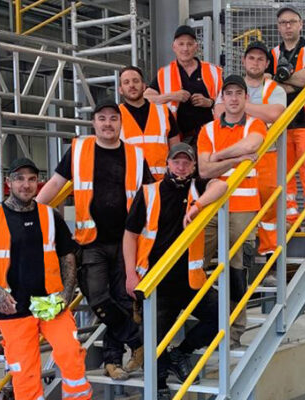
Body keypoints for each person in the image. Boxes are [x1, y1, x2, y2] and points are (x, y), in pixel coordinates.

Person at [36, 99, 154, 380]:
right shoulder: (79, 150)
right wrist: (21, 214)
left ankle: (113, 363)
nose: (108, 123)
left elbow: (151, 196)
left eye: (113, 118)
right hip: (91, 242)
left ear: (120, 123)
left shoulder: (136, 155)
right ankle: (138, 342)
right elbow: (54, 184)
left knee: (123, 301)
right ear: (94, 124)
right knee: (99, 297)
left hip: (126, 242)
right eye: (102, 118)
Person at [0, 158, 92, 400]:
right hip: (13, 307)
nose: (26, 184)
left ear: (38, 184)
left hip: (52, 304)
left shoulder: (50, 216)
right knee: (24, 373)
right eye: (20, 178)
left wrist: (66, 293)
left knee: (71, 354)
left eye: (32, 179)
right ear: (9, 182)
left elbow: (68, 256)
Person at [124, 143, 227, 400]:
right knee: (153, 340)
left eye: (186, 162)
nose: (181, 166)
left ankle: (182, 352)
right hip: (156, 280)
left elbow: (222, 185)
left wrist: (197, 206)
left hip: (190, 280)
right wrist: (130, 274)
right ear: (168, 163)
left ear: (193, 166)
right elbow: (130, 235)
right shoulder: (149, 192)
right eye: (176, 161)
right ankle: (159, 386)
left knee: (219, 317)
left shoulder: (197, 187)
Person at [198, 75, 267, 347]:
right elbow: (204, 170)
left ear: (245, 98)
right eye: (229, 93)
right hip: (213, 207)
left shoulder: (255, 123)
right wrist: (236, 159)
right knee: (195, 264)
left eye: (239, 92)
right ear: (222, 99)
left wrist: (217, 156)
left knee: (237, 269)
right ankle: (207, 321)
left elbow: (252, 145)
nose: (234, 98)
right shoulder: (208, 130)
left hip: (243, 208)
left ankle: (235, 332)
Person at [215, 41, 287, 286]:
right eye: (251, 58)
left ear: (267, 64)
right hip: (235, 157)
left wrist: (240, 108)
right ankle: (238, 267)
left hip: (268, 155)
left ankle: (270, 263)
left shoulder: (275, 88)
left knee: (269, 209)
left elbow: (276, 114)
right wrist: (257, 111)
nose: (255, 62)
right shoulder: (231, 86)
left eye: (260, 59)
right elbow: (218, 114)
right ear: (244, 61)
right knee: (236, 209)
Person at [267, 5, 305, 234]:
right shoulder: (272, 54)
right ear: (278, 27)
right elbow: (270, 85)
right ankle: (290, 217)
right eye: (283, 23)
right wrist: (292, 81)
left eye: (292, 22)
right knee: (285, 171)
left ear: (301, 24)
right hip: (281, 121)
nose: (288, 26)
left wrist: (284, 78)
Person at [144, 25, 223, 147]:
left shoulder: (213, 71)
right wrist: (171, 96)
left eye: (189, 44)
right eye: (181, 44)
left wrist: (209, 102)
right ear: (174, 47)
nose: (185, 48)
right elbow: (146, 98)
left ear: (196, 47)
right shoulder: (165, 73)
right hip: (179, 139)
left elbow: (226, 101)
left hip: (212, 136)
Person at [118, 65, 181, 180]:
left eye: (135, 81)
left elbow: (176, 150)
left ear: (144, 86)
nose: (131, 85)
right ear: (120, 89)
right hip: (130, 183)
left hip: (161, 183)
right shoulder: (116, 116)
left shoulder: (163, 111)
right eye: (126, 82)